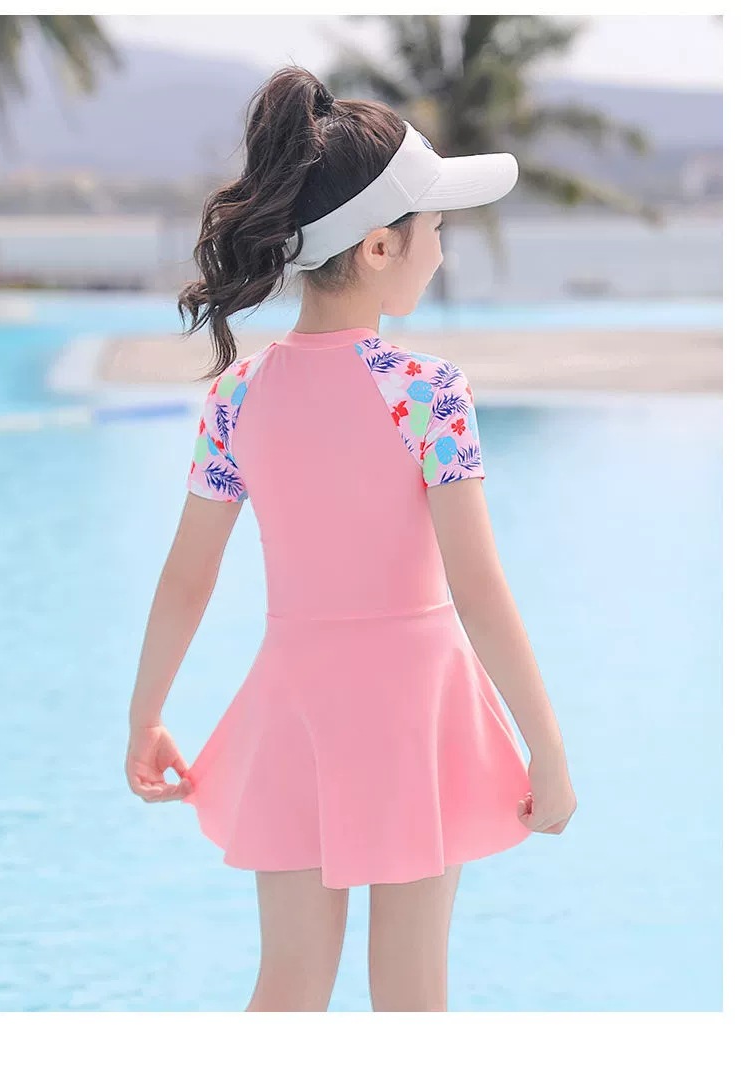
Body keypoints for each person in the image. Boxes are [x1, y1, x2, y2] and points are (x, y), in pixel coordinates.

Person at [124, 65, 577, 1012]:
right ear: (378, 246)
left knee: (288, 981)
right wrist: (546, 744)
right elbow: (478, 586)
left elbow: (186, 576)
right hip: (415, 711)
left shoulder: (236, 395)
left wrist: (146, 715)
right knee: (411, 994)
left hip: (294, 707)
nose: (440, 250)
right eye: (435, 228)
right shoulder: (429, 391)